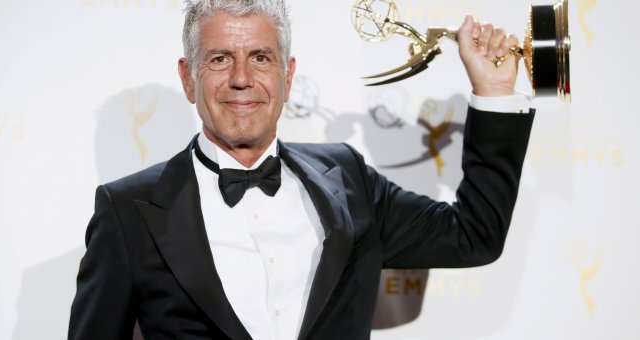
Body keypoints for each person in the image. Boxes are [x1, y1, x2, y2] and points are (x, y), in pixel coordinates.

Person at [68, 0, 535, 339]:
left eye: (260, 57)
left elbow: (476, 235)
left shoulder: (348, 177)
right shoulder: (126, 210)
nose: (241, 78)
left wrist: (494, 94)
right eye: (219, 59)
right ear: (189, 77)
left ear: (288, 77)